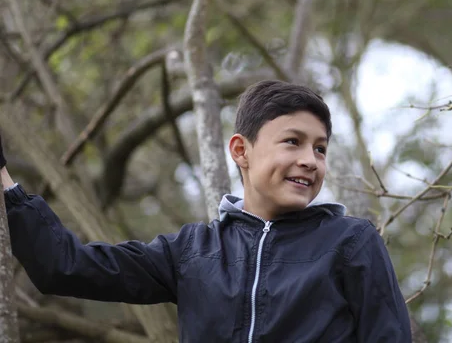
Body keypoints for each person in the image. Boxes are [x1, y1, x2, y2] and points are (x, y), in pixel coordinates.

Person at [1, 80, 412, 342]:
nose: (310, 159)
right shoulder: (192, 251)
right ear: (240, 150)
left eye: (320, 148)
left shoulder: (350, 241)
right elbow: (63, 266)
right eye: (293, 141)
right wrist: (5, 182)